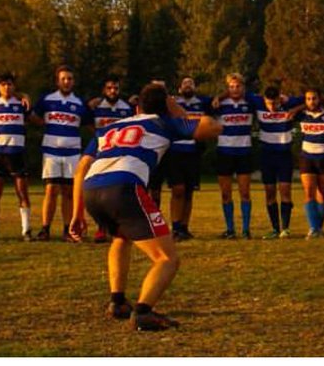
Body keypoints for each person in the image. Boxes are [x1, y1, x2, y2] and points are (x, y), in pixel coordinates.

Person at [69, 83, 222, 331]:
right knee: (167, 259)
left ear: (137, 107)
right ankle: (143, 312)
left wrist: (77, 213)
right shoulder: (164, 123)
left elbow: (81, 169)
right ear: (166, 107)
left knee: (120, 238)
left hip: (91, 189)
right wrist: (176, 110)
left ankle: (117, 302)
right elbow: (214, 126)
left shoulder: (108, 128)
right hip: (124, 187)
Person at [29, 65, 90, 241]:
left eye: (69, 79)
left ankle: (67, 229)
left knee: (69, 192)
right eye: (63, 78)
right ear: (58, 81)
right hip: (51, 151)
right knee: (51, 190)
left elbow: (89, 122)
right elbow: (33, 116)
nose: (66, 82)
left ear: (73, 82)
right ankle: (45, 229)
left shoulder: (80, 103)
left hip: (72, 152)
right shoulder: (47, 100)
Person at [88, 76, 135, 243]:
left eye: (115, 88)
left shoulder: (127, 108)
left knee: (117, 192)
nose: (113, 91)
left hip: (121, 155)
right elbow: (88, 124)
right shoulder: (95, 106)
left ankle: (119, 227)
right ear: (104, 90)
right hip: (100, 154)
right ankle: (101, 228)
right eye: (109, 88)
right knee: (99, 192)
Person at [0, 73, 33, 242]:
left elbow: (32, 117)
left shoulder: (22, 104)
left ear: (14, 87)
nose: (7, 87)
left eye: (10, 84)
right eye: (3, 84)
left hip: (17, 152)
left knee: (22, 193)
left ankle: (26, 230)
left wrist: (25, 96)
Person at [212, 72, 257, 239]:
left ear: (243, 87)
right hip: (224, 151)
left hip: (244, 151)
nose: (234, 89)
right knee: (226, 194)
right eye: (231, 86)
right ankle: (230, 229)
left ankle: (246, 230)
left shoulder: (250, 102)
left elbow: (257, 98)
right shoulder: (220, 104)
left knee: (245, 192)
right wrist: (220, 97)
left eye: (238, 86)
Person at [255, 85, 302, 239]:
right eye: (269, 104)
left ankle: (286, 228)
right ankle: (275, 228)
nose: (272, 107)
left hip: (284, 154)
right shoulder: (257, 103)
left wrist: (295, 109)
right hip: (266, 154)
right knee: (269, 192)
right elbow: (240, 94)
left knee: (285, 191)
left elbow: (312, 98)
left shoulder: (289, 104)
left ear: (279, 99)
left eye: (275, 103)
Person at [166, 76, 210, 240]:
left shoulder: (203, 103)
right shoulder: (172, 103)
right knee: (178, 190)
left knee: (190, 191)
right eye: (185, 84)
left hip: (193, 152)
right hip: (175, 150)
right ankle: (175, 226)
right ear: (179, 88)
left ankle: (185, 227)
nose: (188, 86)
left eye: (191, 83)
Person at [296, 90, 324, 238]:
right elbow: (287, 104)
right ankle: (313, 228)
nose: (311, 101)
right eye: (308, 99)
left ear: (319, 99)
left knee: (323, 194)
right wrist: (298, 107)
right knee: (309, 192)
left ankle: (319, 227)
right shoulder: (302, 115)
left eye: (314, 98)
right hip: (307, 156)